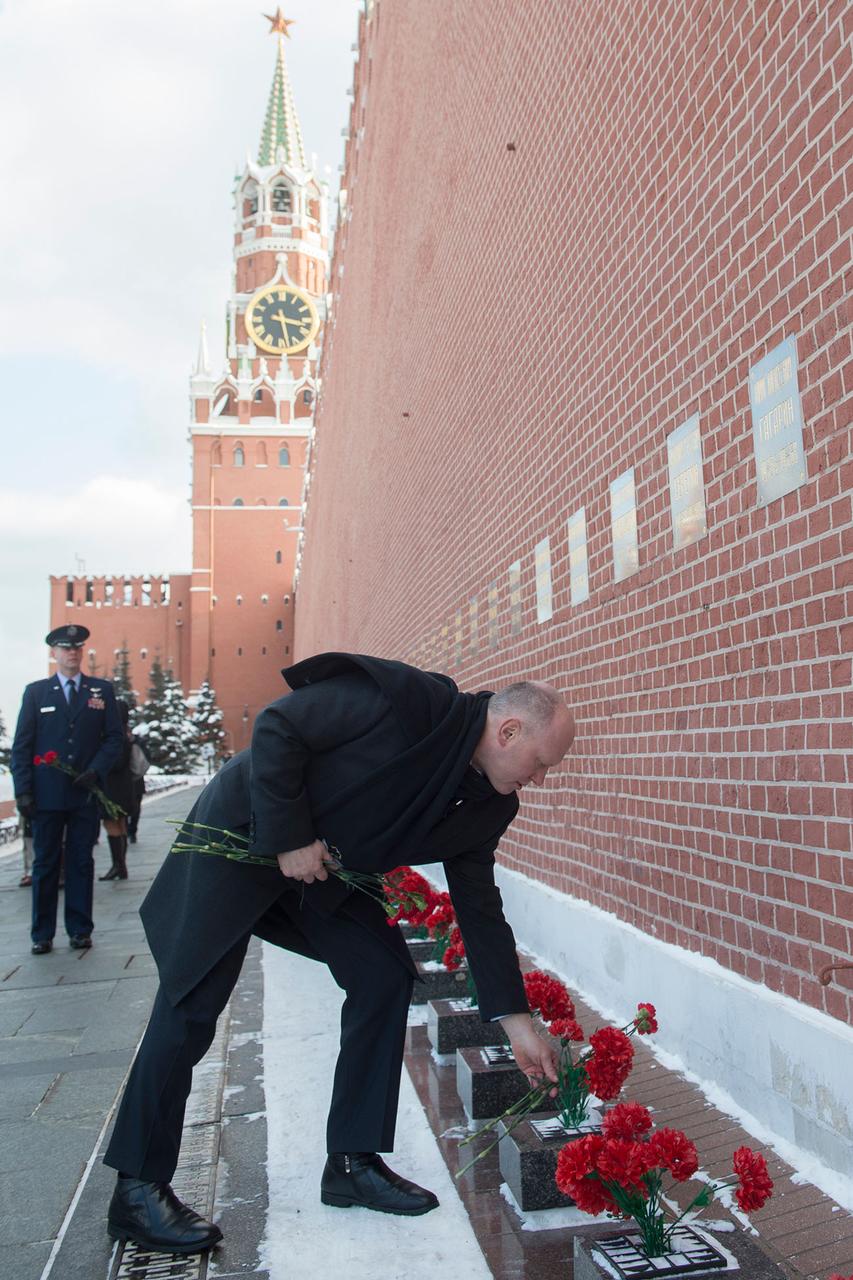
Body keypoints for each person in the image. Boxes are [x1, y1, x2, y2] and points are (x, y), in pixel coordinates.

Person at [103, 653, 576, 1255]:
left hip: (318, 868)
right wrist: (289, 835)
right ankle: (138, 1190)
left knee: (381, 974)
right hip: (250, 830)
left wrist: (517, 1021)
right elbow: (280, 726)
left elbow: (480, 909)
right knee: (191, 1002)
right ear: (508, 731)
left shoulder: (489, 805)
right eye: (540, 763)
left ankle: (352, 1162)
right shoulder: (408, 704)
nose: (540, 780)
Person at [10, 624, 123, 954]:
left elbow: (114, 738)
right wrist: (23, 792)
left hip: (83, 793)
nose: (72, 653)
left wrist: (96, 771)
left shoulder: (100, 691)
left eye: (77, 648)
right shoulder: (36, 693)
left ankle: (79, 929)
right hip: (46, 796)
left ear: (82, 652)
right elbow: (23, 747)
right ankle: (42, 934)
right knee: (44, 864)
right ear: (54, 653)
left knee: (80, 862)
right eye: (65, 648)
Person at [99, 700, 135, 881]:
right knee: (120, 824)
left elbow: (116, 762)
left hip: (113, 787)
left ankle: (118, 866)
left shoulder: (114, 735)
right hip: (124, 785)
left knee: (111, 824)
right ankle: (121, 866)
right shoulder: (126, 733)